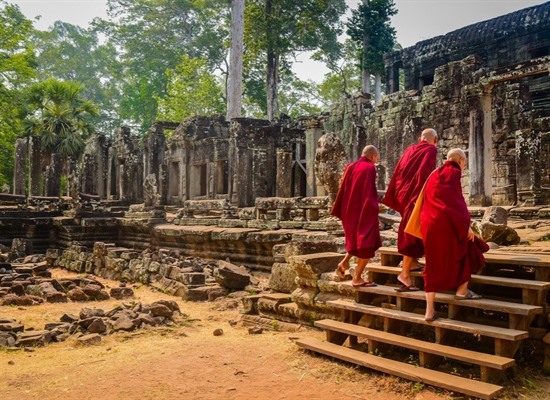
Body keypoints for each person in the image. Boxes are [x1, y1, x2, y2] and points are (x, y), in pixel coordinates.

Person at [421, 148, 488, 321]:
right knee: (470, 249)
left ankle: (429, 311)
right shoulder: (454, 172)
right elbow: (455, 202)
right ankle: (462, 290)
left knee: (433, 263)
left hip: (429, 224)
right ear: (460, 160)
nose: (464, 166)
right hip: (447, 223)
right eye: (464, 162)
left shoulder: (434, 174)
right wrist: (466, 226)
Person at [382, 128, 438, 292]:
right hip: (416, 195)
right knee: (412, 231)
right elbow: (424, 173)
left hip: (404, 193)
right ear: (435, 139)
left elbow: (398, 171)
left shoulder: (409, 150)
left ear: (420, 138)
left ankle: (412, 263)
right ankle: (404, 274)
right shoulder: (431, 149)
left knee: (413, 228)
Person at [331, 145, 381, 287]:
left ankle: (344, 262)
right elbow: (368, 191)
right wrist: (374, 208)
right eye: (377, 157)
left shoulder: (350, 166)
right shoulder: (369, 167)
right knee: (367, 245)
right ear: (373, 156)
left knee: (356, 240)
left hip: (348, 211)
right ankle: (357, 278)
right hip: (363, 211)